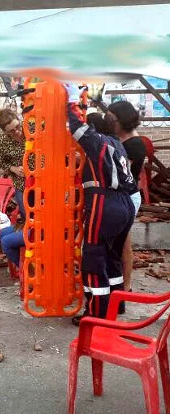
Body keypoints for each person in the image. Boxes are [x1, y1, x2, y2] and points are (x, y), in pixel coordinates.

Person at [65, 84, 137, 324]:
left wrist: (72, 100)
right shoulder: (116, 143)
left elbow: (76, 128)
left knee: (94, 259)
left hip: (104, 203)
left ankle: (96, 315)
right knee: (112, 258)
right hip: (124, 204)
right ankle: (116, 307)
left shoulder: (97, 143)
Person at [107, 101, 147, 296]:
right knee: (118, 243)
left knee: (124, 244)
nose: (109, 122)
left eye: (111, 119)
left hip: (128, 197)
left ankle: (126, 287)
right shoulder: (120, 138)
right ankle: (119, 283)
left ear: (121, 120)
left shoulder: (135, 144)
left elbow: (121, 174)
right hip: (120, 196)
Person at [0, 108, 34, 220]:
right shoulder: (1, 142)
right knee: (28, 218)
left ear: (19, 120)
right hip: (22, 185)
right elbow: (1, 162)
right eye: (11, 131)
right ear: (4, 131)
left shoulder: (33, 129)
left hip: (43, 182)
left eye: (17, 126)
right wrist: (14, 168)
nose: (16, 131)